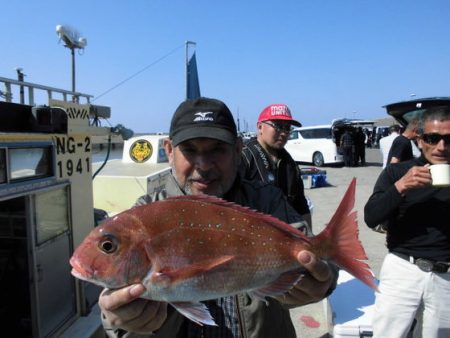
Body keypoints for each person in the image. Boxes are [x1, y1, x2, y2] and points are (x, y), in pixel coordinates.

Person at [99, 97, 338, 338]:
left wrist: (323, 280)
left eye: (217, 149)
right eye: (190, 150)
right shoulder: (143, 215)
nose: (203, 165)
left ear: (237, 149)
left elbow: (313, 251)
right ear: (169, 151)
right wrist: (120, 322)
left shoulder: (267, 201)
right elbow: (118, 297)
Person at [364, 106, 450, 338]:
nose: (441, 147)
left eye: (448, 139)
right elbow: (371, 216)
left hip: (446, 276)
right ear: (421, 140)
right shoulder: (398, 173)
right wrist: (400, 187)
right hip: (403, 269)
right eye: (433, 138)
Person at [240, 103, 312, 229]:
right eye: (278, 126)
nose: (284, 133)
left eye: (287, 128)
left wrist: (310, 239)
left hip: (284, 238)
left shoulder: (290, 164)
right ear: (260, 127)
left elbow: (301, 206)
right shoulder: (244, 157)